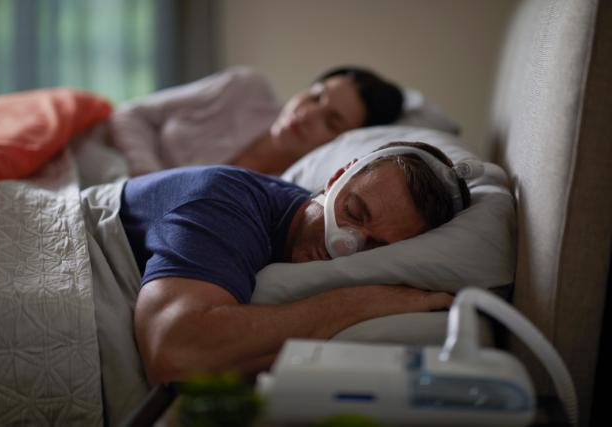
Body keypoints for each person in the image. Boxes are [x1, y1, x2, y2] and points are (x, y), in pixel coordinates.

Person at [119, 141, 471, 385]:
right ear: (337, 177)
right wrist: (360, 303)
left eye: (376, 246)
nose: (343, 244)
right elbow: (173, 349)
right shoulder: (227, 202)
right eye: (352, 212)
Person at [108, 66, 404, 176]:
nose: (307, 114)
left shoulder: (292, 191)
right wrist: (145, 176)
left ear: (344, 141)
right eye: (316, 97)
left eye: (332, 121)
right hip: (100, 156)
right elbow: (129, 113)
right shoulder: (246, 89)